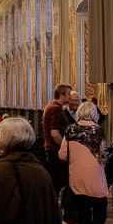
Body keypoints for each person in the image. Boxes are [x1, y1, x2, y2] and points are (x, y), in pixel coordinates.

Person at [59, 101, 107, 224]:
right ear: (94, 114)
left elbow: (62, 155)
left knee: (83, 214)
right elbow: (103, 155)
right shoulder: (97, 130)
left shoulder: (70, 130)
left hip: (76, 176)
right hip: (95, 176)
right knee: (101, 212)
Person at [42, 84, 72, 215]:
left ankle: (56, 211)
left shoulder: (54, 106)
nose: (70, 97)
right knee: (58, 183)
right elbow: (54, 133)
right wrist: (64, 146)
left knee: (59, 182)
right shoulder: (55, 108)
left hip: (54, 150)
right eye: (68, 95)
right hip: (55, 151)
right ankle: (55, 213)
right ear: (61, 95)